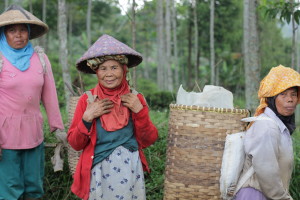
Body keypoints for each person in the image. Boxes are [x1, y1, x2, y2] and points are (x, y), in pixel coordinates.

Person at [68, 34, 158, 200]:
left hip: (130, 169)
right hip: (99, 171)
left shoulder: (135, 98)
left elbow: (149, 139)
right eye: (103, 68)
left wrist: (140, 112)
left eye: (114, 67)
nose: (108, 74)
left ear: (124, 70)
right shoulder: (87, 100)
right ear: (96, 72)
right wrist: (87, 118)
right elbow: (75, 143)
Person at [0, 5, 64, 200]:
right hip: (5, 135)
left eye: (22, 30)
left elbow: (50, 96)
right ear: (4, 34)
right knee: (10, 188)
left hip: (33, 131)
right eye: (12, 30)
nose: (18, 35)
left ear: (29, 33)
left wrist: (58, 128)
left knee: (34, 186)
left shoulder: (41, 58)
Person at [235, 65, 300, 200]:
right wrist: (283, 198)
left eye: (293, 94)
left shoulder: (277, 125)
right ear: (271, 98)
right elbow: (267, 172)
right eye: (283, 94)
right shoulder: (266, 126)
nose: (290, 99)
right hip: (254, 195)